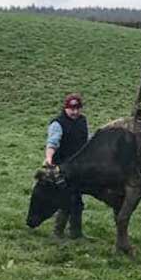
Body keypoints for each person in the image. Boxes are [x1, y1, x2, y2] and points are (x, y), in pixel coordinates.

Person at [44, 93, 89, 239]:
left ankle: (76, 233)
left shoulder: (82, 121)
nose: (75, 112)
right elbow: (53, 143)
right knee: (66, 201)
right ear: (66, 108)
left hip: (78, 167)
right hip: (62, 168)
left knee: (77, 200)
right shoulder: (58, 123)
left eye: (78, 108)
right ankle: (57, 233)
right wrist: (49, 158)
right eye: (72, 109)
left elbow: (86, 141)